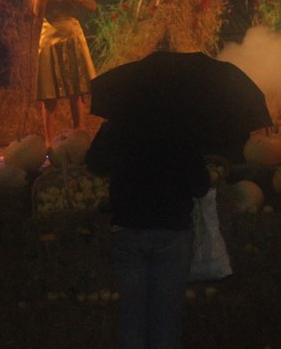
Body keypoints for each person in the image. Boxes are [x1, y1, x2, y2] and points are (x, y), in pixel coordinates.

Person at [86, 114, 211, 349]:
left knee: (131, 314)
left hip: (129, 226)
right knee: (167, 316)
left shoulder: (117, 126)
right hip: (172, 228)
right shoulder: (181, 128)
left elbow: (94, 164)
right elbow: (201, 186)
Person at [28, 0, 97, 146]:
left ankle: (80, 136)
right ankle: (49, 143)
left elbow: (92, 5)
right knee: (49, 93)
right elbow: (37, 13)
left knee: (76, 90)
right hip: (49, 38)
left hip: (72, 36)